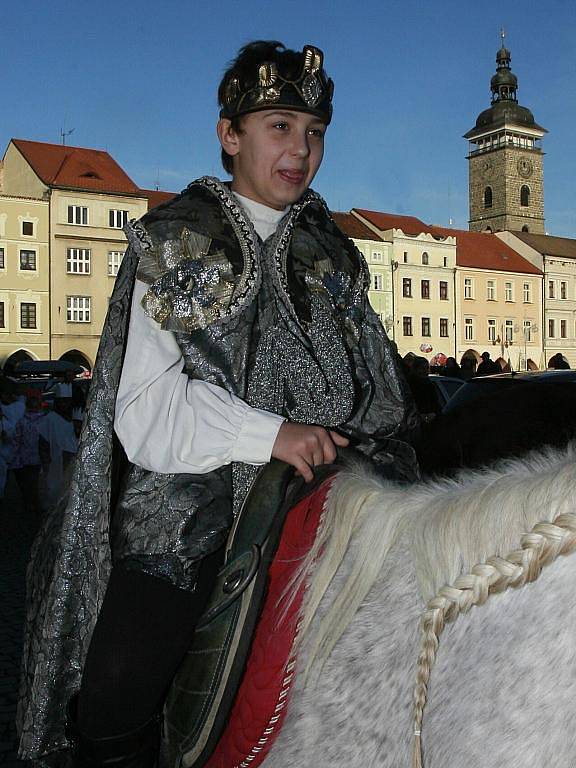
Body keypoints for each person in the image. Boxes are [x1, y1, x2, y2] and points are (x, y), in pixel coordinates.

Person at [18, 41, 418, 767]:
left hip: (328, 493)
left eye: (315, 131)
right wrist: (271, 435)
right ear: (230, 134)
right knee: (117, 691)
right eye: (280, 126)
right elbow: (142, 408)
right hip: (187, 515)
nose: (301, 149)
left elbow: (381, 388)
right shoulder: (177, 241)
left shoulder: (332, 249)